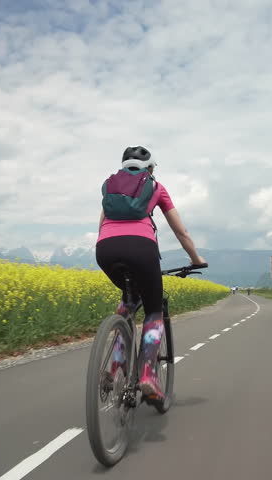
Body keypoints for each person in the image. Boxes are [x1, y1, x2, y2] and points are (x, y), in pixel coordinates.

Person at [95, 146, 206, 402]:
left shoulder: (110, 186)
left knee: (128, 298)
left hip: (106, 250)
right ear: (151, 168)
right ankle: (147, 374)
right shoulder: (156, 187)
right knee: (154, 309)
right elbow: (181, 232)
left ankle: (116, 363)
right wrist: (196, 259)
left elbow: (101, 224)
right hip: (141, 250)